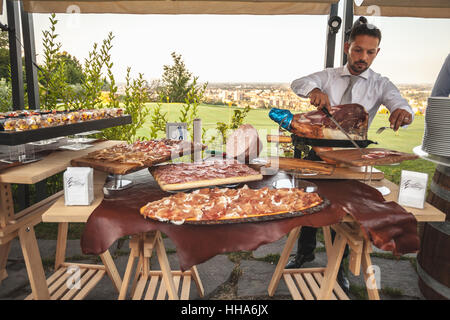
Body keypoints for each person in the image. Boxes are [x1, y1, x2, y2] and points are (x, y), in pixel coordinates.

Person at [287, 17, 415, 293]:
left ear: (377, 53)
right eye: (358, 50)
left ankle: (340, 267)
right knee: (307, 203)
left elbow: (400, 103)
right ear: (347, 48)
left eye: (370, 52)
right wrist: (314, 90)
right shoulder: (329, 75)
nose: (363, 57)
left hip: (354, 156)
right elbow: (298, 82)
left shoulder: (381, 83)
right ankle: (304, 253)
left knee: (343, 212)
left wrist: (402, 112)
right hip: (318, 150)